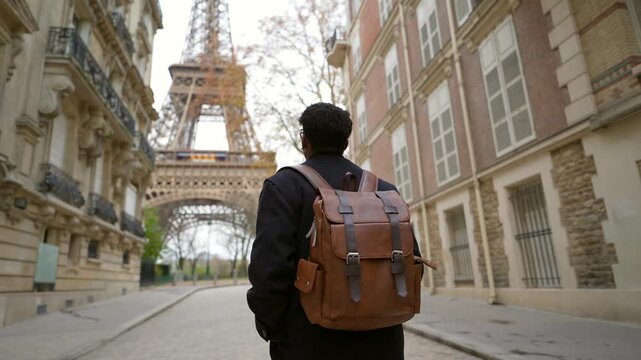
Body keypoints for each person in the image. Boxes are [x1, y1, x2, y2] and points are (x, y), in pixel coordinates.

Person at [247, 102, 421, 360]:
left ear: (305, 139)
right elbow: (413, 262)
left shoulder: (283, 186)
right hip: (382, 340)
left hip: (308, 339)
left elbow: (269, 271)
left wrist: (274, 327)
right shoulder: (385, 190)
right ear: (346, 142)